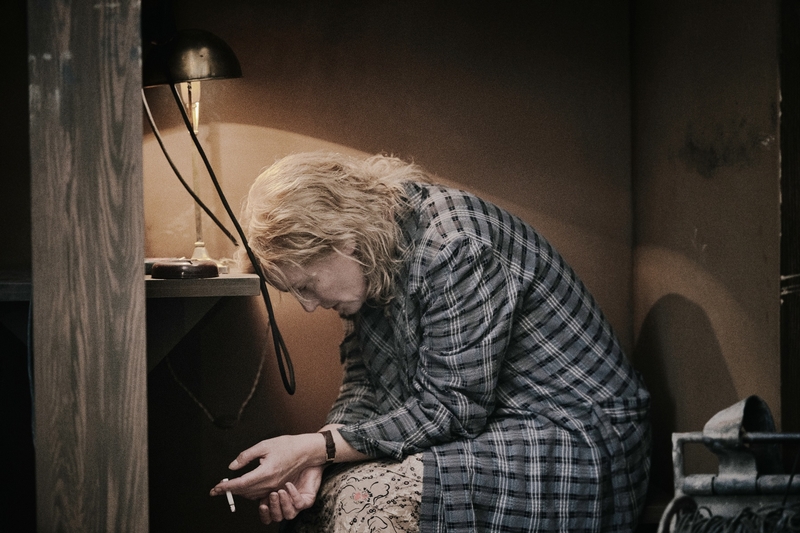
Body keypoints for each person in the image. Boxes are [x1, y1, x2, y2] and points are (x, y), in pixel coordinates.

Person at [209, 151, 651, 532]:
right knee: (321, 495)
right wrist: (320, 457)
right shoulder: (372, 258)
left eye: (306, 285)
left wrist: (317, 449)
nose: (308, 306)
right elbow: (365, 385)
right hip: (491, 424)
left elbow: (452, 408)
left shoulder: (455, 243)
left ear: (343, 240)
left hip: (574, 432)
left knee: (365, 500)